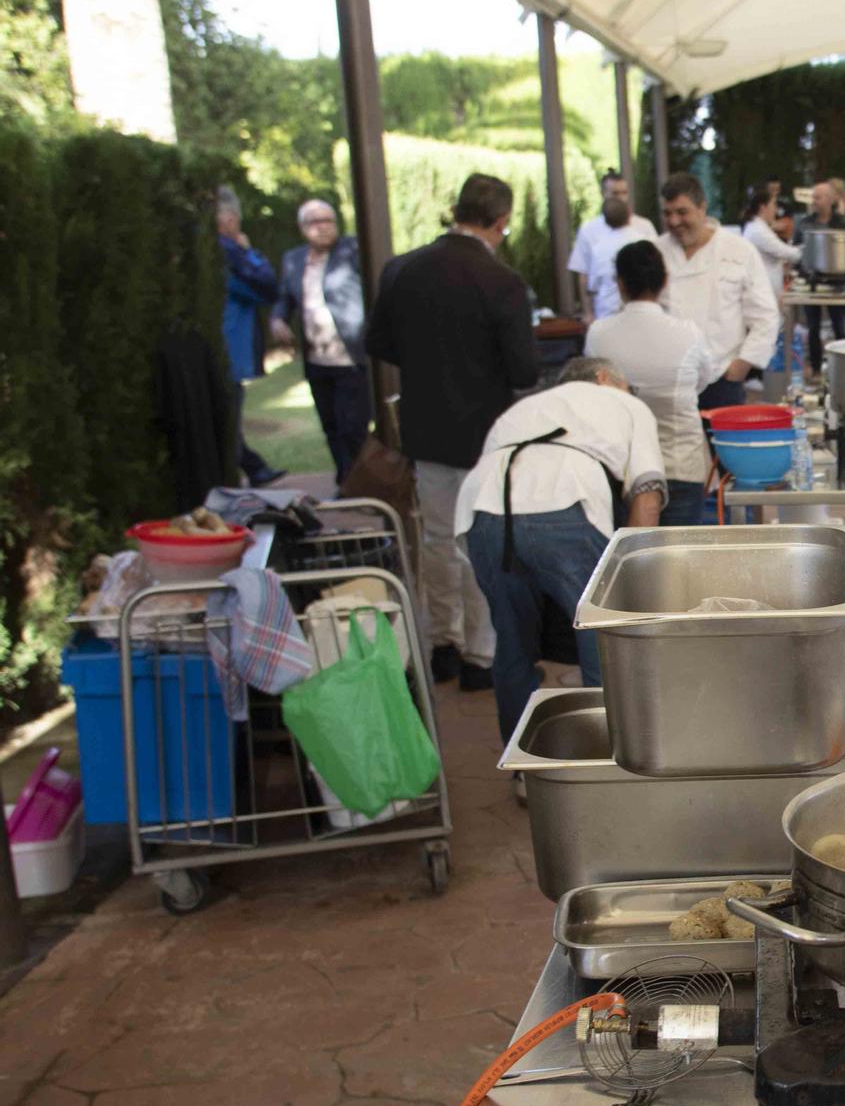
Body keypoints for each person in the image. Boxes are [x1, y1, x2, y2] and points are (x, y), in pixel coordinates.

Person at [365, 173, 540, 692]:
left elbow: (381, 342)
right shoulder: (502, 283)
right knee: (479, 541)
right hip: (485, 430)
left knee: (438, 539)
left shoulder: (403, 271)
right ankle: (480, 654)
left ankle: (441, 641)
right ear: (501, 220)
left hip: (425, 424)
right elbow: (525, 371)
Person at [456, 357, 664, 742]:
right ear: (605, 377)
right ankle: (610, 761)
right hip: (563, 502)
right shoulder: (627, 404)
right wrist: (632, 585)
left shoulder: (522, 409)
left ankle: (525, 770)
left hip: (482, 513)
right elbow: (647, 496)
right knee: (602, 637)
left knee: (513, 643)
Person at [585, 241, 715, 526]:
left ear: (620, 283)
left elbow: (593, 390)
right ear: (664, 281)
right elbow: (704, 380)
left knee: (631, 560)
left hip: (622, 469)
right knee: (682, 562)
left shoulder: (598, 335)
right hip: (680, 463)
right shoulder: (688, 334)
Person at [654, 172, 780, 412]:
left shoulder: (739, 250)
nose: (673, 222)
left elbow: (765, 316)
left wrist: (742, 365)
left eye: (682, 212)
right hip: (668, 381)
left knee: (723, 450)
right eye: (667, 213)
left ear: (702, 208)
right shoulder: (655, 251)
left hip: (722, 377)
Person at [268, 199, 369, 485]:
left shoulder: (352, 250)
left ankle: (361, 483)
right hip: (317, 358)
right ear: (302, 228)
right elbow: (284, 298)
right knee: (331, 425)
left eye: (328, 220)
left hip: (350, 356)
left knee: (353, 426)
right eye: (315, 221)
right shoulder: (294, 259)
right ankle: (345, 479)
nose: (323, 227)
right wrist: (277, 319)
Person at [215, 187, 286, 486]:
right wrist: (248, 252)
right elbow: (268, 287)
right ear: (230, 220)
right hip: (227, 352)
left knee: (227, 418)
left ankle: (254, 467)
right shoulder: (228, 254)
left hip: (227, 351)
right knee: (227, 417)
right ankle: (250, 470)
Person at [568, 171, 658, 323]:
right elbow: (584, 274)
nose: (621, 198)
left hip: (642, 311)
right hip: (606, 311)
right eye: (615, 193)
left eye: (624, 192)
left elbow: (657, 267)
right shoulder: (589, 230)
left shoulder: (644, 226)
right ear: (603, 193)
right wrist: (588, 313)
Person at [798, 179, 845, 375]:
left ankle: (844, 368)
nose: (814, 200)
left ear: (831, 200)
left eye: (819, 197)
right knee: (812, 326)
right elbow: (797, 251)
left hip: (836, 282)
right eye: (813, 197)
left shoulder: (844, 223)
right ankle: (815, 369)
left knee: (838, 324)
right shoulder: (805, 224)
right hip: (811, 282)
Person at [741, 187, 802, 308]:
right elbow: (785, 252)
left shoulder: (759, 227)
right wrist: (810, 252)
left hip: (766, 291)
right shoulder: (758, 231)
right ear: (763, 207)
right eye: (773, 205)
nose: (776, 209)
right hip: (763, 292)